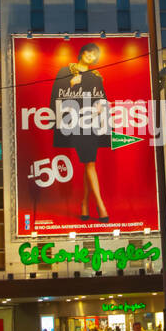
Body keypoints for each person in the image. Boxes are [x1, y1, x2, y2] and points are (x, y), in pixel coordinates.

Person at [50, 41, 110, 222]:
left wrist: (101, 107)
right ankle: (101, 206)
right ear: (82, 52)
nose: (91, 57)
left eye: (94, 55)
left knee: (88, 163)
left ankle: (84, 204)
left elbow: (103, 99)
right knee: (90, 162)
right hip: (74, 122)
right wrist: (70, 83)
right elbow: (55, 97)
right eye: (89, 53)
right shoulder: (65, 71)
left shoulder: (96, 76)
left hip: (92, 123)